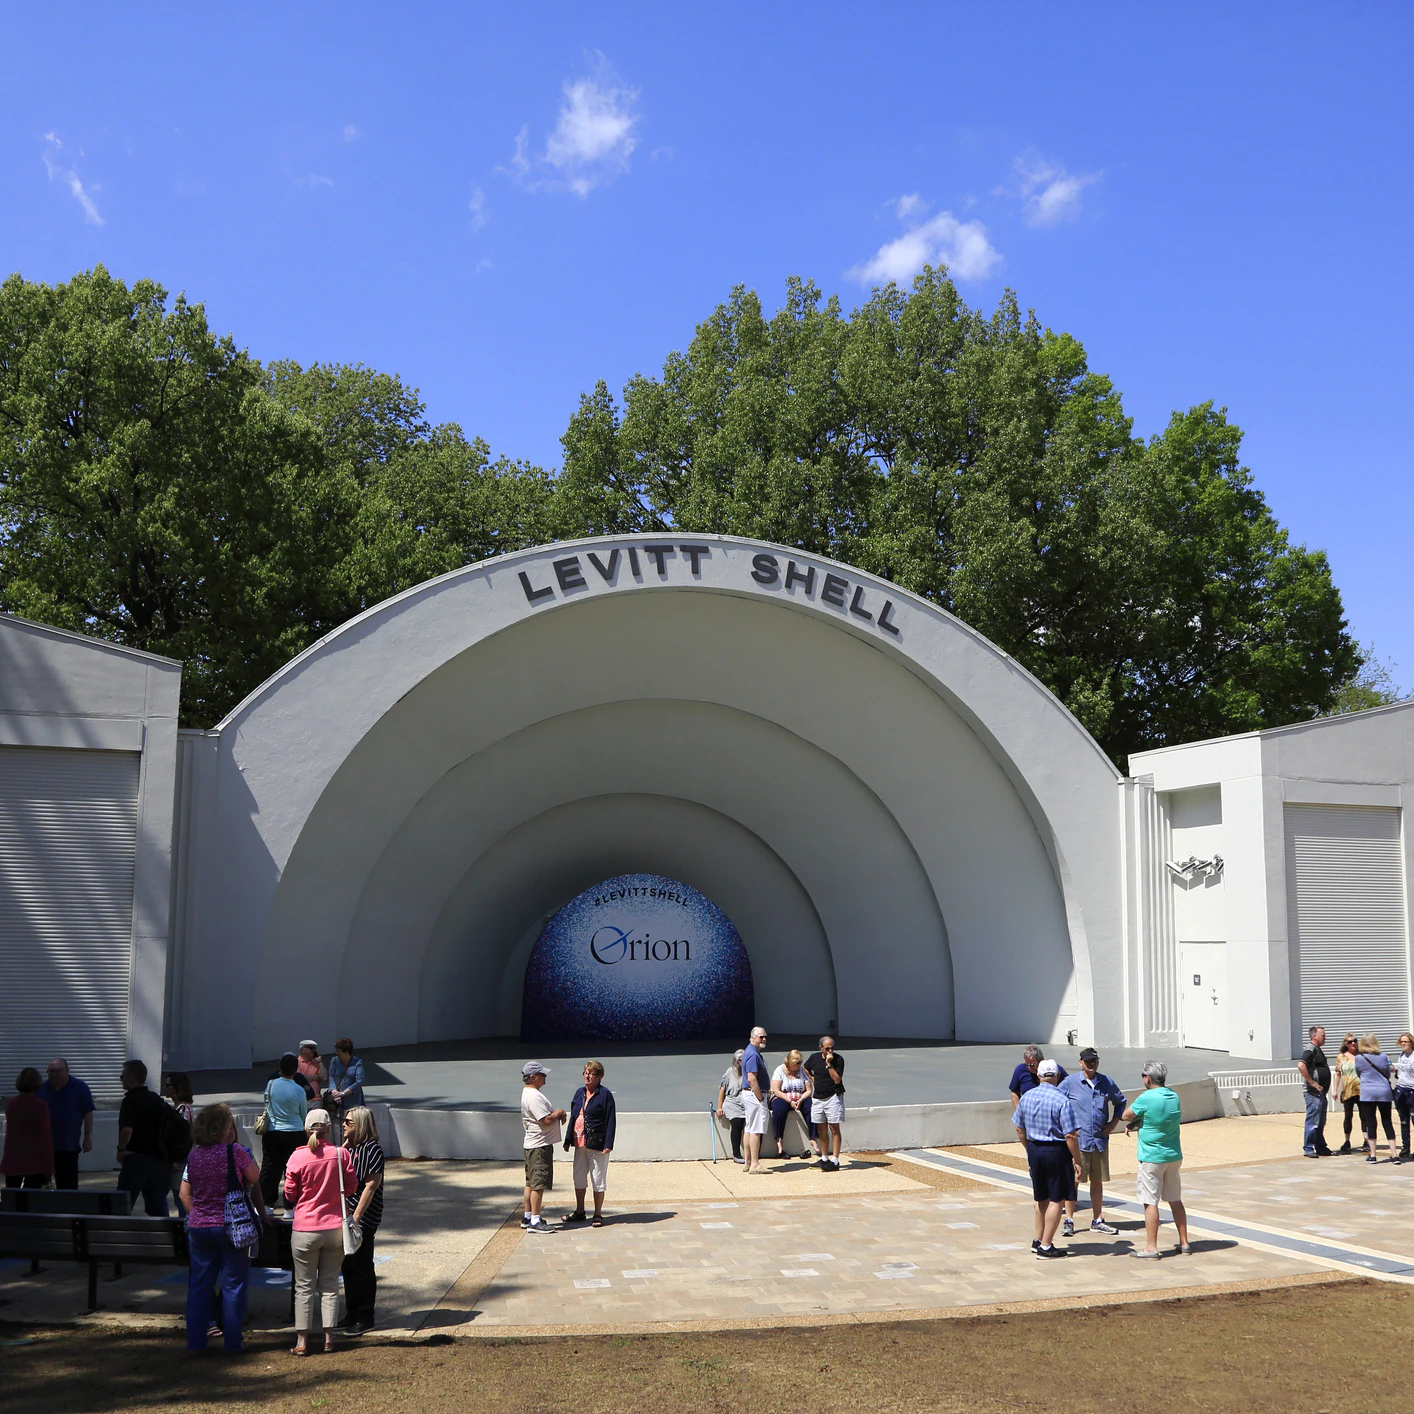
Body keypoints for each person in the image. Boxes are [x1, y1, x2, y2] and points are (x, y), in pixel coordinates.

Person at [180, 1101, 269, 1355]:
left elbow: (185, 1194)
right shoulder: (235, 1152)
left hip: (199, 1227)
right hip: (232, 1227)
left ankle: (196, 1342)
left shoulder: (194, 1155)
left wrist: (198, 1214)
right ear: (222, 1128)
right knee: (233, 1286)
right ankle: (232, 1341)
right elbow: (254, 1177)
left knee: (199, 1287)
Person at [283, 1108, 357, 1356]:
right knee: (329, 1285)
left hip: (304, 1228)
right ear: (328, 1129)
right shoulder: (340, 1153)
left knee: (303, 1286)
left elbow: (289, 1195)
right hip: (334, 1227)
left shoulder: (297, 1157)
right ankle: (328, 1337)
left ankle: (302, 1341)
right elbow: (352, 1186)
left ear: (306, 1129)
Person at [1011, 1059, 1082, 1259]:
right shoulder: (1062, 1100)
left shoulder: (1027, 1097)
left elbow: (1019, 1127)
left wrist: (1028, 1147)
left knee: (1040, 1197)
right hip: (1055, 1151)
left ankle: (1038, 1239)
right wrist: (1077, 1160)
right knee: (1057, 1199)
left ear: (1039, 1075)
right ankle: (1046, 1245)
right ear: (1058, 1075)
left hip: (1035, 1148)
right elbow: (1070, 1135)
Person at [1123, 1060, 1190, 1258]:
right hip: (1173, 1156)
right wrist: (1140, 1121)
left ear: (1147, 1078)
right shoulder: (1173, 1097)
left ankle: (1151, 1247)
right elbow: (1158, 1118)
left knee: (1150, 1202)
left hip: (1151, 1158)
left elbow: (1126, 1115)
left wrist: (1134, 1121)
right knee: (1175, 1199)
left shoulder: (1146, 1097)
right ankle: (1184, 1242)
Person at [1056, 1047, 1125, 1235]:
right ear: (1080, 1063)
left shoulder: (1106, 1082)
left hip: (1099, 1141)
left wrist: (1113, 1123)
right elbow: (1057, 1103)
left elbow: (1120, 1101)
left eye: (1094, 1060)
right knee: (1074, 1181)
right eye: (1087, 1061)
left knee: (1097, 1181)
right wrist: (1067, 1128)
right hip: (1079, 1142)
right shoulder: (1070, 1083)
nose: (1091, 1064)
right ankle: (1069, 1220)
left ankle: (1097, 1219)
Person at [339, 1106, 385, 1336]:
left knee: (361, 1266)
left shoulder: (372, 1150)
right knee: (348, 1265)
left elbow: (371, 1185)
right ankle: (352, 1312)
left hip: (363, 1217)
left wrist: (356, 1218)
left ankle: (366, 1316)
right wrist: (345, 1147)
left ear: (360, 1125)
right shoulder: (352, 1149)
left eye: (349, 1121)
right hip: (348, 1215)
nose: (344, 1124)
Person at [562, 1061, 616, 1227]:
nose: (587, 1076)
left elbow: (610, 1120)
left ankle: (597, 1213)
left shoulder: (605, 1094)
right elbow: (574, 1116)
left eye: (591, 1073)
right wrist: (568, 1139)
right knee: (578, 1176)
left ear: (599, 1077)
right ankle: (580, 1211)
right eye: (585, 1072)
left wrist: (608, 1143)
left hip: (597, 1143)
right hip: (580, 1142)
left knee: (598, 1177)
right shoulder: (579, 1093)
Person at [117, 1059, 170, 1215]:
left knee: (122, 1203)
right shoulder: (155, 1099)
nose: (121, 1080)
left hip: (137, 1159)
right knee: (158, 1208)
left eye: (122, 1077)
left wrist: (120, 1150)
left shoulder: (130, 1101)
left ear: (132, 1078)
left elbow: (127, 1130)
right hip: (158, 1160)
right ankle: (163, 1236)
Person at [259, 1053, 309, 1209]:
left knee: (269, 1167)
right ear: (296, 1069)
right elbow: (303, 1114)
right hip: (294, 1133)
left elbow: (266, 1103)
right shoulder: (299, 1090)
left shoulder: (271, 1084)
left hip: (272, 1131)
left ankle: (267, 1204)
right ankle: (290, 1204)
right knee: (292, 1170)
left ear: (280, 1068)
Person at [520, 1061, 565, 1231]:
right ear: (533, 1077)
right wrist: (558, 1113)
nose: (545, 1077)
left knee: (530, 1183)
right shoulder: (534, 1097)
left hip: (533, 1145)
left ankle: (528, 1216)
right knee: (538, 1183)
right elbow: (545, 1120)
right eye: (542, 1074)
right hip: (539, 1146)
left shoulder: (529, 1093)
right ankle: (535, 1221)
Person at [38, 1057, 94, 1190]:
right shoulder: (41, 1088)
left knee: (68, 1184)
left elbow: (88, 1113)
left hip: (68, 1145)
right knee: (41, 1184)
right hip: (43, 1146)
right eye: (50, 1071)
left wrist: (87, 1136)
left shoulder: (80, 1087)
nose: (53, 1074)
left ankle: (68, 1209)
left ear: (67, 1070)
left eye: (56, 1071)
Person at [2, 1068, 54, 1188]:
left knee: (12, 1194)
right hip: (35, 1157)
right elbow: (45, 1135)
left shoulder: (11, 1103)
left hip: (13, 1154)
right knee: (31, 1196)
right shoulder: (41, 1105)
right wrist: (49, 1165)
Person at [1354, 1034, 1398, 1164]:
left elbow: (1359, 1073)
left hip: (1368, 1092)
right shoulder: (1383, 1056)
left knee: (1371, 1122)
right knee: (1387, 1121)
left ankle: (1373, 1155)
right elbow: (1387, 1072)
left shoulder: (1359, 1058)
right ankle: (1394, 1154)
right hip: (1384, 1091)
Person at [805, 1037, 846, 1172]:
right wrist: (812, 1078)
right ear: (821, 1048)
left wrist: (829, 1064)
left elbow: (836, 1080)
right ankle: (824, 1158)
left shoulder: (838, 1060)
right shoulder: (814, 1058)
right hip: (818, 1098)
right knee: (821, 1129)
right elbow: (805, 1068)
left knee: (834, 1128)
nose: (830, 1051)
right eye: (827, 1048)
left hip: (833, 1096)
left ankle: (835, 1160)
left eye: (832, 1048)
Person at [769, 1050, 816, 1161]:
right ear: (790, 1062)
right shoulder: (780, 1070)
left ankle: (813, 1137)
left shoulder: (801, 1071)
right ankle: (779, 1140)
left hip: (800, 1097)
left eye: (800, 1062)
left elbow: (809, 1089)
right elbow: (775, 1090)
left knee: (810, 1108)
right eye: (797, 1063)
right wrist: (790, 1101)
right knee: (779, 1110)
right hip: (783, 1097)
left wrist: (801, 1099)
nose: (799, 1065)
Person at [1297, 1026, 1333, 1158]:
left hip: (1321, 1093)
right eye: (1323, 1035)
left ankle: (1320, 1146)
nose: (1325, 1038)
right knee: (1313, 1120)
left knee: (1321, 1120)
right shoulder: (1310, 1049)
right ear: (1315, 1036)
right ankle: (1308, 1148)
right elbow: (1301, 1065)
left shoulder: (1318, 1050)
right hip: (1313, 1093)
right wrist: (1311, 1082)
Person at [163, 1073, 196, 1214]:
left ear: (177, 1088)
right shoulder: (179, 1108)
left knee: (180, 1195)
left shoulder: (183, 1109)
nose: (164, 1088)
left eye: (167, 1085)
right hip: (181, 1157)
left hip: (182, 1159)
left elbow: (184, 1135)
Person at [741, 1026, 771, 1175]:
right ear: (753, 1037)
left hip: (749, 1095)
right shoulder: (753, 1054)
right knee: (756, 1130)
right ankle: (755, 1164)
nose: (764, 1039)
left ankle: (747, 1162)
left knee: (749, 1128)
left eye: (765, 1036)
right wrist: (760, 1098)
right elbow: (751, 1078)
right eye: (761, 1037)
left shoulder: (750, 1052)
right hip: (754, 1096)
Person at [325, 1039, 365, 1139]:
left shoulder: (357, 1062)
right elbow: (331, 1076)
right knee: (339, 1130)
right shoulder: (334, 1061)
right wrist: (334, 1091)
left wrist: (343, 1093)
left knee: (353, 1128)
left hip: (353, 1101)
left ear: (346, 1052)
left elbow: (359, 1082)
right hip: (337, 1102)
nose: (337, 1053)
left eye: (339, 1051)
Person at [716, 1050, 747, 1163]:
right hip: (732, 1102)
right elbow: (722, 1089)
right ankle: (736, 1155)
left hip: (746, 1103)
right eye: (740, 1060)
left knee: (752, 1125)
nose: (742, 1062)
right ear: (736, 1061)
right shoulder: (730, 1072)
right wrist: (719, 1107)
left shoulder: (750, 1072)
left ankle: (753, 1154)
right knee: (737, 1122)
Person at [1334, 1034, 1361, 1153]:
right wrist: (1335, 1089)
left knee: (1365, 1116)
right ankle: (1347, 1140)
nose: (1353, 1043)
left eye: (1355, 1041)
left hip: (1361, 1090)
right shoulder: (1341, 1057)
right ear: (1345, 1043)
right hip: (1347, 1090)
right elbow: (1337, 1073)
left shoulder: (1361, 1056)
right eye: (1350, 1042)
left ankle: (1367, 1139)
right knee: (1348, 1116)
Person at [1395, 1034, 1414, 1159]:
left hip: (1412, 1090)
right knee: (1403, 1120)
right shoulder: (1402, 1055)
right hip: (1401, 1088)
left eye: (1406, 1042)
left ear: (1411, 1043)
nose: (1404, 1044)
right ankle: (1405, 1147)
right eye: (1402, 1042)